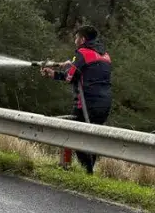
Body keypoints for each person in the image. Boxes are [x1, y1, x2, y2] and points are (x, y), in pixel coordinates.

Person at [41, 25, 112, 173]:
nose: (74, 40)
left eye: (76, 37)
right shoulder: (105, 55)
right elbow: (85, 74)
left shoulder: (82, 53)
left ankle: (88, 173)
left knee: (76, 137)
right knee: (93, 138)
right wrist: (57, 72)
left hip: (87, 104)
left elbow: (70, 77)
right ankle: (89, 171)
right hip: (104, 104)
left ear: (82, 39)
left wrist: (58, 71)